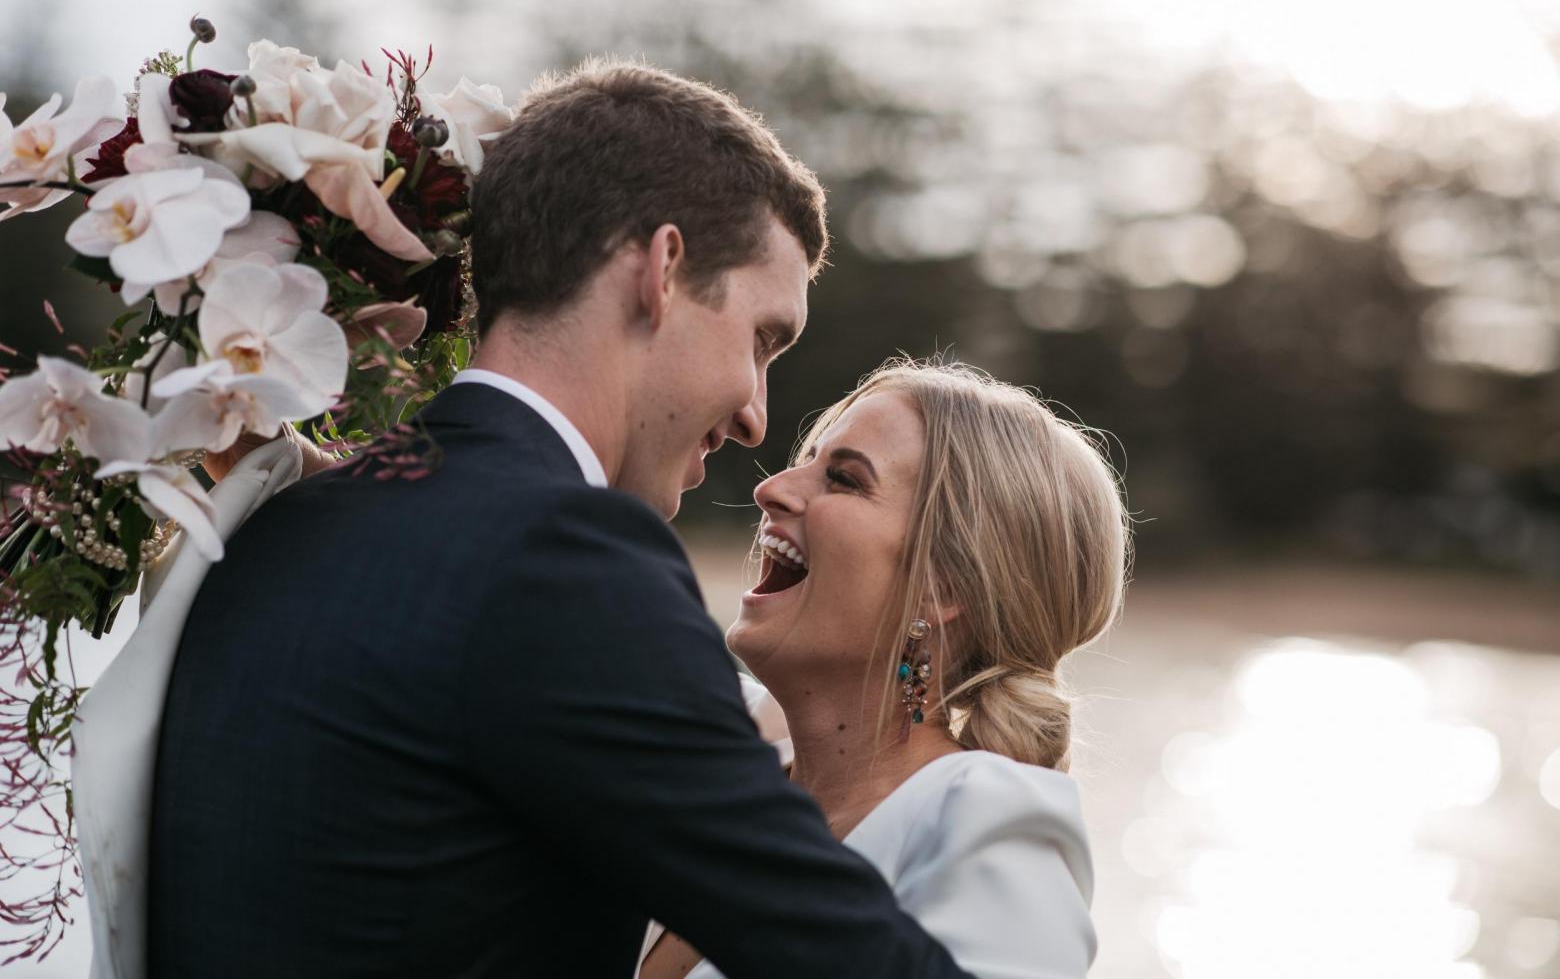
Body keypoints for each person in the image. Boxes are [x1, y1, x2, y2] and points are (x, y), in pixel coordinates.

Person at [141, 60, 976, 978]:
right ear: (662, 271)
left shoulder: (283, 526)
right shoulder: (566, 560)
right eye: (762, 340)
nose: (755, 416)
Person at [640, 360, 1130, 979]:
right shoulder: (710, 755)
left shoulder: (987, 817)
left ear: (943, 584)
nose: (773, 487)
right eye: (809, 460)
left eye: (843, 479)